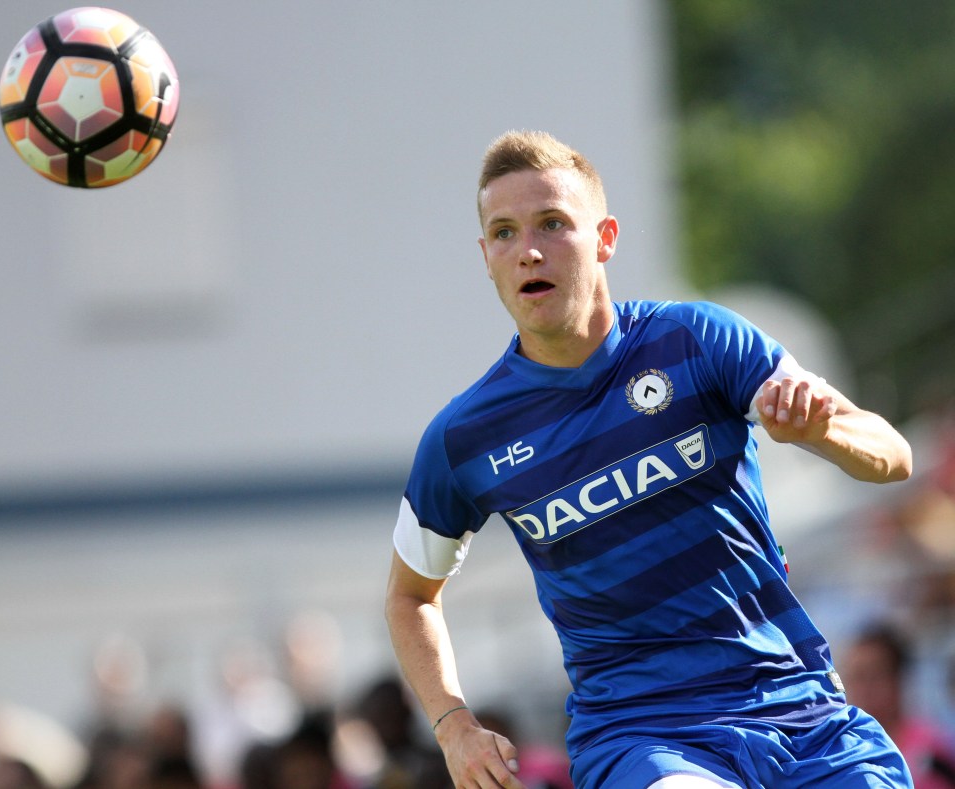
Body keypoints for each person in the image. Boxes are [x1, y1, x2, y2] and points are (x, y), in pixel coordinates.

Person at [384, 130, 915, 788]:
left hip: (800, 711)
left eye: (553, 223)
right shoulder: (464, 436)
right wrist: (452, 723)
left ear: (605, 237)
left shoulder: (697, 338)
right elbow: (410, 596)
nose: (528, 250)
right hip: (643, 736)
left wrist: (820, 432)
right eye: (504, 232)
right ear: (486, 256)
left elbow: (892, 457)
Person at [844, 623, 955, 789]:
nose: (863, 689)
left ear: (898, 679)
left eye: (873, 676)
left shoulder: (934, 753)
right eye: (857, 677)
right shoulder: (838, 755)